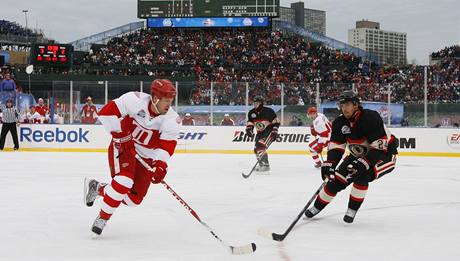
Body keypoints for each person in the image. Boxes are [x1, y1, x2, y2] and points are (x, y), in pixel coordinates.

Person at [83, 79, 181, 235]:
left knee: (133, 200)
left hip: (146, 157)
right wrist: (120, 135)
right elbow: (106, 112)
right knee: (124, 182)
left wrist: (160, 164)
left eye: (171, 101)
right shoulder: (134, 100)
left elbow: (167, 145)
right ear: (155, 99)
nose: (169, 105)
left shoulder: (172, 120)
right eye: (166, 101)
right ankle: (103, 218)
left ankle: (98, 188)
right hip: (123, 147)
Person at [304, 90, 398, 223]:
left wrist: (363, 163)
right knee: (335, 180)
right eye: (342, 105)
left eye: (347, 104)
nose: (344, 108)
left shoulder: (370, 117)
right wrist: (329, 164)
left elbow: (379, 147)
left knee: (362, 174)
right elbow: (336, 147)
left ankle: (352, 210)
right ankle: (317, 207)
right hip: (358, 153)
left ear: (355, 105)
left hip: (384, 154)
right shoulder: (339, 122)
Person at [245, 95, 280, 172]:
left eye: (257, 103)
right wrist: (249, 129)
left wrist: (275, 130)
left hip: (269, 132)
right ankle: (262, 164)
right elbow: (250, 122)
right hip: (260, 133)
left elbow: (276, 122)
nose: (255, 104)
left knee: (260, 145)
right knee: (256, 149)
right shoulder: (251, 113)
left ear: (261, 103)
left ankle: (265, 165)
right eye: (254, 103)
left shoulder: (268, 111)